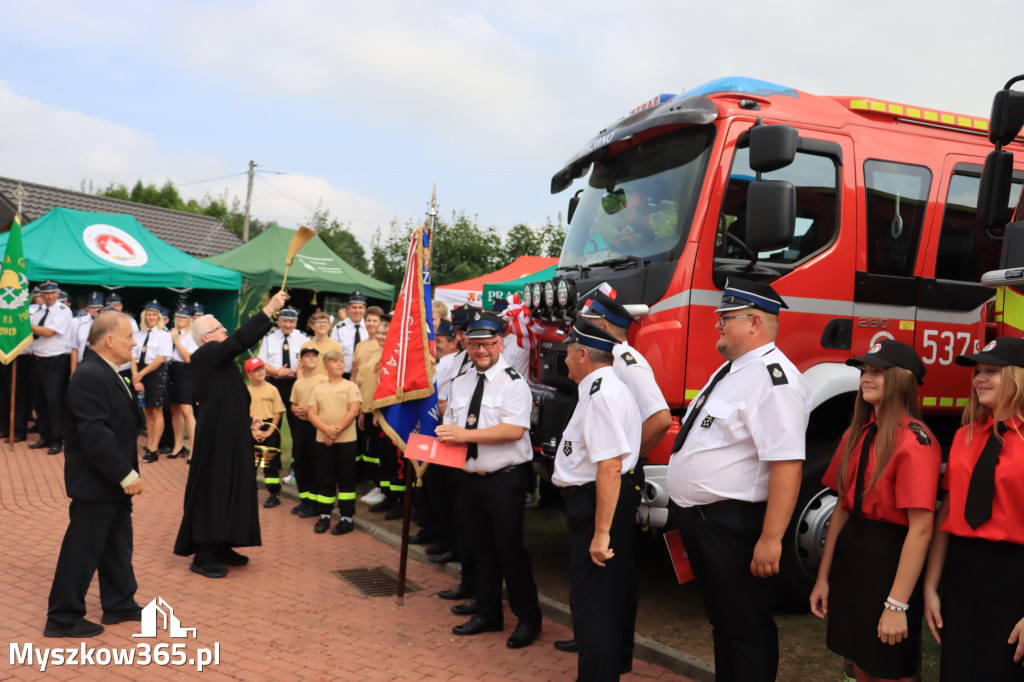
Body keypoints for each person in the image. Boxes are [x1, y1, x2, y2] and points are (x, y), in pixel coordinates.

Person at [666, 277, 810, 682]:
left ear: (754, 323)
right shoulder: (731, 371)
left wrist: (770, 538)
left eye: (725, 317)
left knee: (746, 627)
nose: (718, 325)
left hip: (734, 525)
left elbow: (786, 464)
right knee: (724, 623)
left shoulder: (774, 379)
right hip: (704, 524)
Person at [809, 340, 940, 682]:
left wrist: (896, 605)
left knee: (889, 667)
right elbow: (841, 507)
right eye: (865, 371)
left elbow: (921, 529)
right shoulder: (856, 433)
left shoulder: (915, 442)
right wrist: (824, 578)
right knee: (857, 662)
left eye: (878, 372)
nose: (866, 377)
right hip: (853, 556)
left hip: (890, 560)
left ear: (900, 380)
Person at [550, 289, 672, 657]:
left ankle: (610, 648)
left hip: (612, 478)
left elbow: (661, 418)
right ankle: (602, 644)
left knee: (609, 581)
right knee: (602, 586)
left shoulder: (626, 362)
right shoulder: (606, 368)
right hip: (606, 474)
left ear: (599, 328)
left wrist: (628, 459)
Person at [436, 311, 542, 649]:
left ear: (500, 344)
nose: (481, 350)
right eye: (475, 344)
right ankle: (488, 612)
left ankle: (528, 618)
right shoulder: (461, 380)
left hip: (504, 480)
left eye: (488, 344)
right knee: (479, 548)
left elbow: (513, 430)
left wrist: (464, 434)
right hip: (468, 478)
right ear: (465, 344)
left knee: (510, 551)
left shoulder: (514, 383)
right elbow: (451, 421)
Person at [923, 337, 1024, 681]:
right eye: (978, 371)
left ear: (1017, 376)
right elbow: (946, 515)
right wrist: (930, 586)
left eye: (991, 371)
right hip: (962, 573)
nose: (979, 377)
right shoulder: (964, 436)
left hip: (1014, 576)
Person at [173, 290, 288, 578]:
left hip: (232, 434)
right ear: (207, 338)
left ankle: (223, 544)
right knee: (216, 490)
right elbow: (239, 340)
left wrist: (247, 421)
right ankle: (204, 555)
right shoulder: (207, 354)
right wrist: (269, 309)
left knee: (234, 489)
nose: (225, 330)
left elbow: (226, 399)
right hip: (217, 441)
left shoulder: (218, 360)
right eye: (219, 328)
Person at [551, 317, 642, 679]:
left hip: (596, 503)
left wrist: (601, 533)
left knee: (595, 605)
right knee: (604, 598)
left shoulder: (602, 394)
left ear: (584, 354)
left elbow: (609, 466)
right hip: (594, 500)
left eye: (569, 353)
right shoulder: (598, 388)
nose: (565, 359)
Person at [44, 311, 144, 638]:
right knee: (82, 549)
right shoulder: (90, 375)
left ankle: (119, 603)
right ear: (109, 339)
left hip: (109, 482)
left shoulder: (110, 371)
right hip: (96, 481)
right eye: (129, 335)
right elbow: (95, 434)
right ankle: (63, 616)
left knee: (117, 544)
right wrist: (125, 475)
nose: (134, 341)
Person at [307, 349, 362, 535]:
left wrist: (334, 431)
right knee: (325, 478)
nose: (339, 364)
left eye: (341, 361)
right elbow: (312, 413)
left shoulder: (350, 386)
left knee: (346, 479)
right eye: (334, 362)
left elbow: (353, 411)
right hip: (323, 441)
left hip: (346, 441)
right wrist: (327, 431)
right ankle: (324, 516)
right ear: (326, 367)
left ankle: (347, 518)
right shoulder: (318, 389)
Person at [29, 279, 74, 455]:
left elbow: (48, 332)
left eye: (51, 293)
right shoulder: (39, 312)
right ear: (40, 295)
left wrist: (24, 325)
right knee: (39, 400)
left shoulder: (63, 311)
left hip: (55, 362)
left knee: (53, 401)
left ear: (57, 293)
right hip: (37, 359)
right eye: (45, 293)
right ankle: (45, 435)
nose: (48, 296)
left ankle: (57, 439)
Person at [256, 306, 308, 454]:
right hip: (273, 384)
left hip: (295, 384)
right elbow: (261, 363)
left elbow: (307, 363)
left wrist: (293, 372)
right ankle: (271, 461)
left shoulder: (303, 338)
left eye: (291, 322)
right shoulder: (269, 338)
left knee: (297, 425)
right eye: (284, 321)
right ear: (278, 321)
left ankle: (295, 464)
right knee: (271, 422)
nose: (287, 325)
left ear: (296, 323)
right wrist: (277, 371)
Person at [289, 347, 327, 517]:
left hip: (315, 426)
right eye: (307, 357)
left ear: (318, 360)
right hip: (300, 426)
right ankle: (305, 500)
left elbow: (326, 404)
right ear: (301, 361)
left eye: (314, 357)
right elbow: (293, 404)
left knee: (315, 463)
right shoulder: (298, 383)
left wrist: (309, 409)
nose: (311, 359)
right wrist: (296, 410)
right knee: (300, 461)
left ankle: (316, 503)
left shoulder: (323, 380)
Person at [132, 300, 172, 463]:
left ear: (159, 317)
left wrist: (140, 374)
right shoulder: (139, 334)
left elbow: (161, 358)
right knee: (147, 410)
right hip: (141, 372)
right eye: (148, 314)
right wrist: (136, 377)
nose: (151, 317)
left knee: (157, 411)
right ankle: (149, 445)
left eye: (154, 314)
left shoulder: (164, 334)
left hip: (156, 374)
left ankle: (154, 449)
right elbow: (133, 357)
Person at [245, 357, 286, 508]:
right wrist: (252, 431)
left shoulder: (272, 389)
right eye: (255, 370)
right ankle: (249, 491)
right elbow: (243, 414)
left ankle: (274, 493)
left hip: (269, 429)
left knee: (270, 463)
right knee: (250, 463)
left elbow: (278, 412)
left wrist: (269, 431)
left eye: (262, 368)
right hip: (252, 430)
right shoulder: (246, 391)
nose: (260, 372)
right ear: (249, 375)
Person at [168, 306, 198, 461]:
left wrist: (176, 340)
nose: (180, 320)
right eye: (178, 317)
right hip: (172, 369)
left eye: (184, 317)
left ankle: (193, 448)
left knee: (187, 411)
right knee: (174, 410)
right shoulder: (172, 332)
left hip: (186, 371)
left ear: (190, 319)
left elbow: (188, 358)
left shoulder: (191, 335)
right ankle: (178, 445)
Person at [331, 291, 368, 376]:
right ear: (348, 309)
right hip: (344, 374)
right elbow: (333, 352)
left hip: (364, 374)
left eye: (360, 307)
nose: (357, 311)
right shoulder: (339, 328)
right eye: (354, 307)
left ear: (364, 309)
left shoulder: (369, 327)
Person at [69, 292, 105, 376]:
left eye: (98, 307)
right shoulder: (78, 322)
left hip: (100, 366)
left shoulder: (109, 323)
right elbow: (74, 349)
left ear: (103, 307)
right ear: (87, 308)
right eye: (92, 307)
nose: (96, 310)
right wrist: (73, 372)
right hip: (81, 364)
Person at [301, 311, 344, 376]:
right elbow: (301, 369)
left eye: (325, 322)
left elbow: (339, 369)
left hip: (328, 384)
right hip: (309, 384)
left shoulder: (336, 346)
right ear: (312, 326)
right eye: (319, 322)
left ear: (330, 325)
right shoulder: (306, 346)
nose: (322, 324)